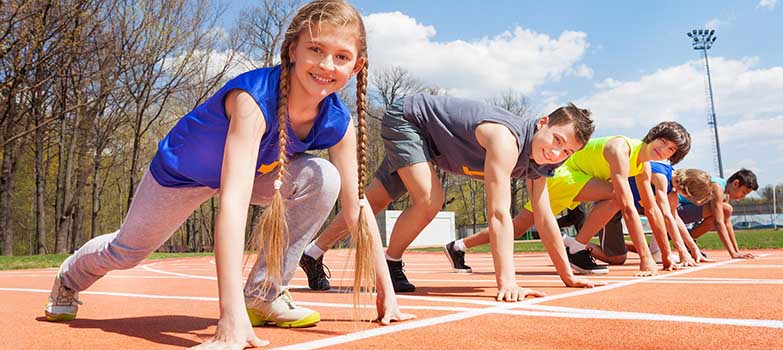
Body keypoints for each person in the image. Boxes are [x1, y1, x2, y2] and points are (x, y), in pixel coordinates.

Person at [43, 2, 413, 349]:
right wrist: (229, 317)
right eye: (316, 49)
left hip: (258, 175)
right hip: (182, 174)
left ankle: (264, 294)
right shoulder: (254, 101)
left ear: (357, 66)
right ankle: (69, 277)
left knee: (323, 177)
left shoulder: (338, 123)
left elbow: (356, 209)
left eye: (342, 57)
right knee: (126, 252)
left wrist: (386, 291)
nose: (327, 64)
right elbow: (233, 205)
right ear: (292, 51)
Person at [300, 96, 602, 299]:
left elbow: (544, 216)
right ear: (542, 123)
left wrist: (567, 275)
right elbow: (498, 214)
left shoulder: (543, 163)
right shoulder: (506, 140)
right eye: (556, 140)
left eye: (567, 152)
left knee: (372, 202)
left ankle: (312, 253)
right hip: (410, 120)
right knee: (430, 200)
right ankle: (391, 263)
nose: (556, 153)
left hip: (432, 145)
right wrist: (507, 281)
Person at [446, 122, 692, 277]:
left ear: (674, 156)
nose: (663, 149)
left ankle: (458, 246)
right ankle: (575, 246)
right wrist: (646, 259)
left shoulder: (644, 166)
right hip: (563, 174)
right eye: (662, 141)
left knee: (519, 226)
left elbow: (652, 209)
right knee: (618, 197)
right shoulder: (621, 150)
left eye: (670, 149)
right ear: (653, 135)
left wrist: (668, 254)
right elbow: (628, 206)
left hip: (577, 179)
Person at [603, 165, 714, 268]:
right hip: (608, 202)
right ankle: (585, 246)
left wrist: (694, 250)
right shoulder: (661, 176)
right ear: (686, 188)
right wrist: (682, 251)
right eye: (689, 196)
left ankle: (653, 251)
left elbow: (675, 218)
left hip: (623, 205)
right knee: (617, 259)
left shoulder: (672, 188)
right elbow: (666, 216)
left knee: (619, 257)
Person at [677, 168, 759, 259]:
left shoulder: (725, 193)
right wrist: (733, 254)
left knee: (726, 211)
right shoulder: (717, 187)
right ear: (735, 183)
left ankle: (688, 240)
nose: (743, 197)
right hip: (676, 210)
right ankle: (687, 240)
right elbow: (718, 222)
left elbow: (726, 222)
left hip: (685, 210)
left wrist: (737, 251)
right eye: (744, 192)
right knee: (726, 209)